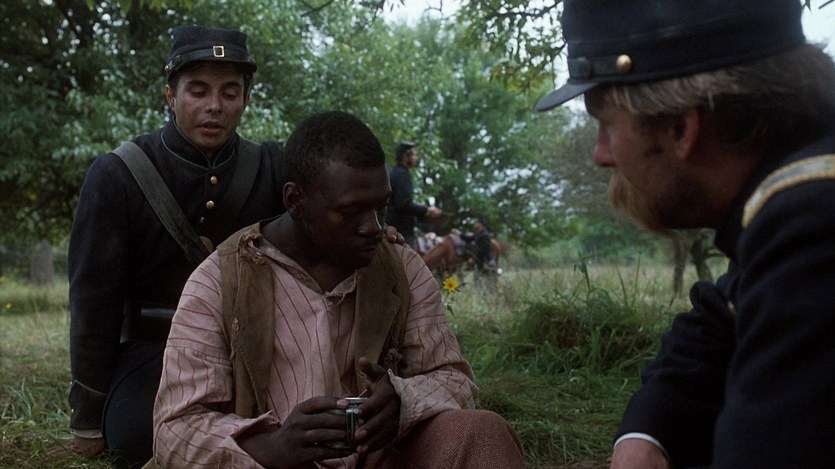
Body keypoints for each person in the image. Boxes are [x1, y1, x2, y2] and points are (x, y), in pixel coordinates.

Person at [59, 26, 405, 468]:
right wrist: (87, 419)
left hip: (257, 347)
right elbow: (93, 303)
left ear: (246, 99)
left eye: (229, 93)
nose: (214, 106)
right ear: (170, 95)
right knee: (141, 437)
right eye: (198, 91)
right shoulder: (118, 175)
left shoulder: (273, 166)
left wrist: (378, 228)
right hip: (156, 349)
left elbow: (331, 213)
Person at [535, 0, 835, 468]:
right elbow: (724, 313)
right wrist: (648, 429)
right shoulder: (791, 204)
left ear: (680, 128)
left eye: (606, 125)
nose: (600, 155)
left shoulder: (814, 227)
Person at [147, 111, 526, 468]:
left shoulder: (400, 267)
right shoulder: (219, 280)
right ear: (295, 201)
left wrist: (404, 401)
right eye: (350, 212)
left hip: (382, 458)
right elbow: (174, 429)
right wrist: (269, 446)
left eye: (380, 207)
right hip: (274, 465)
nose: (373, 226)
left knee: (482, 433)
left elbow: (455, 380)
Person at [385, 141, 443, 249]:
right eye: (414, 154)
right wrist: (427, 211)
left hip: (392, 227)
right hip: (401, 231)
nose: (416, 157)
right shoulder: (402, 175)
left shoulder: (394, 173)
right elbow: (403, 204)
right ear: (406, 156)